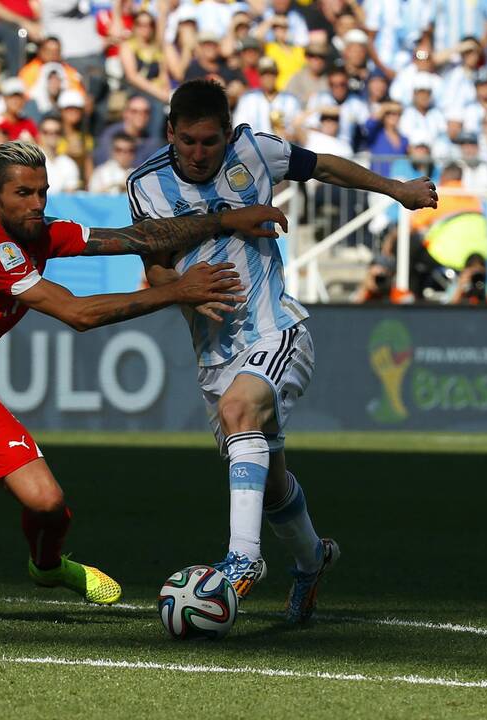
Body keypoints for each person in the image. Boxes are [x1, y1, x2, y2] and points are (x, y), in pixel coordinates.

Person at [0, 139, 289, 623]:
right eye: (23, 193)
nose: (37, 204)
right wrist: (178, 291)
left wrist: (227, 220)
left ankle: (46, 566)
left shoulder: (38, 233)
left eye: (43, 192)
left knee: (48, 503)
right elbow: (78, 314)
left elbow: (135, 237)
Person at [129, 79, 437, 623]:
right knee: (269, 482)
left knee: (238, 410)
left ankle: (242, 561)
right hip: (215, 355)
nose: (199, 155)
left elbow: (324, 166)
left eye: (210, 142)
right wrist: (180, 289)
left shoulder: (256, 150)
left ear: (227, 133)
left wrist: (396, 189)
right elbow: (154, 263)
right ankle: (312, 559)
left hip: (278, 330)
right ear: (171, 132)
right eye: (188, 142)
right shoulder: (145, 185)